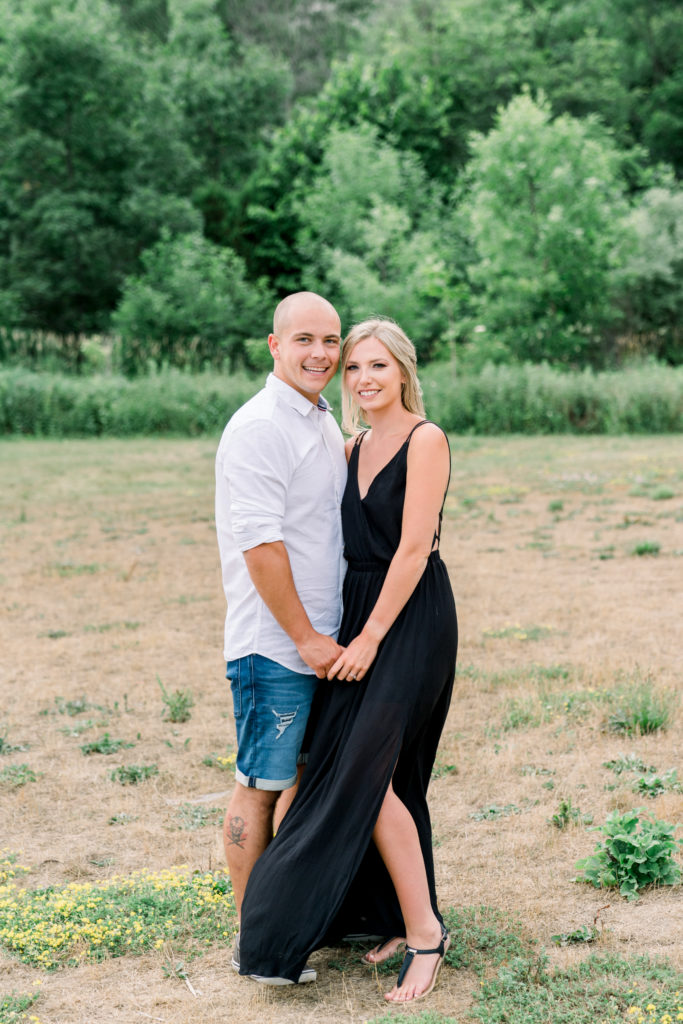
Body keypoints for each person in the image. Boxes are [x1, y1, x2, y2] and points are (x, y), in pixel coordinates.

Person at [238, 316, 458, 1003]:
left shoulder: (425, 440)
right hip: (352, 612)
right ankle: (389, 917)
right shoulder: (348, 443)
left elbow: (413, 551)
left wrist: (368, 639)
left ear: (403, 372)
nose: (362, 378)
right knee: (387, 772)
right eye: (353, 366)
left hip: (408, 616)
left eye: (377, 366)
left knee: (369, 771)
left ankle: (426, 935)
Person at [214, 291, 347, 984]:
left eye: (330, 339)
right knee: (259, 788)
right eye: (303, 340)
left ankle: (287, 920)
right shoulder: (261, 425)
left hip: (321, 642)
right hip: (276, 646)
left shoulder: (318, 417)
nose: (319, 353)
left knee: (299, 782)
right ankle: (252, 940)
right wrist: (306, 638)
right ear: (273, 345)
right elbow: (261, 545)